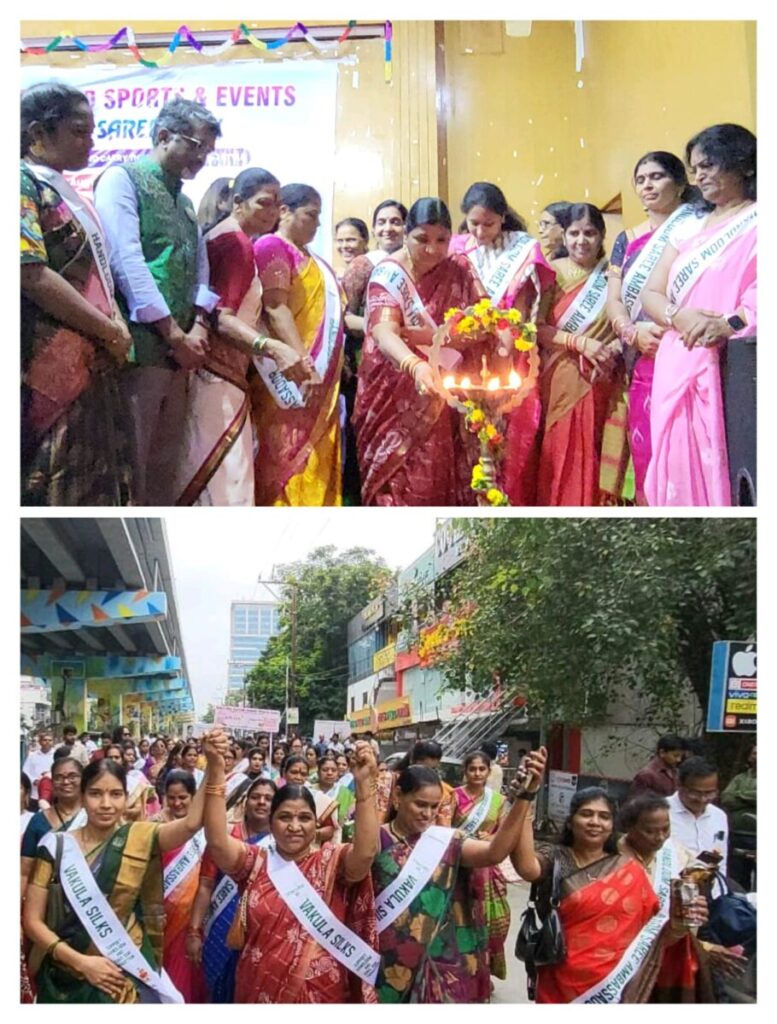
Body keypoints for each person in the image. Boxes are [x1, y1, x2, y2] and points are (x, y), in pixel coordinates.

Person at [94, 96, 222, 506]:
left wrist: (199, 324)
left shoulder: (184, 201)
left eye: (208, 150)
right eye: (195, 145)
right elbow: (125, 260)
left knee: (166, 465)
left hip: (182, 350)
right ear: (164, 136)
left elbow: (200, 267)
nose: (202, 157)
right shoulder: (122, 180)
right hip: (141, 345)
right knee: (134, 462)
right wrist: (172, 333)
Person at [201, 731, 380, 1002]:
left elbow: (366, 852)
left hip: (320, 995)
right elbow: (216, 841)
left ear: (316, 824)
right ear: (271, 823)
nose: (295, 827)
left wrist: (364, 785)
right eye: (284, 817)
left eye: (305, 818)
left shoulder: (332, 863)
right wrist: (215, 769)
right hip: (258, 988)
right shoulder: (255, 862)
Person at [23, 754, 216, 1003]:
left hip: (124, 973)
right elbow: (32, 921)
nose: (106, 804)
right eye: (95, 794)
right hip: (65, 976)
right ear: (82, 796)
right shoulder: (55, 846)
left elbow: (191, 824)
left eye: (115, 794)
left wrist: (213, 764)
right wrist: (82, 963)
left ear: (126, 798)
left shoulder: (140, 837)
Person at [20, 82, 133, 506]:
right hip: (43, 362)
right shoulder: (19, 181)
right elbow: (29, 273)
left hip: (92, 356)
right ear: (36, 134)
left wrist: (113, 327)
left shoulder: (67, 192)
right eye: (78, 131)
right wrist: (107, 328)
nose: (90, 142)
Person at [176, 168, 310, 506]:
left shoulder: (228, 237)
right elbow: (222, 318)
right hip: (216, 383)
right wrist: (273, 348)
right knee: (225, 485)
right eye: (263, 203)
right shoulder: (234, 242)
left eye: (277, 205)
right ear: (238, 202)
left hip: (216, 378)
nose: (271, 212)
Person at [641, 124, 757, 506]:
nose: (700, 176)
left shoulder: (759, 220)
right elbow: (651, 292)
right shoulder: (689, 226)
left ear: (743, 165)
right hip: (679, 359)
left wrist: (727, 323)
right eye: (694, 169)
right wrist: (679, 317)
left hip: (736, 365)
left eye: (709, 165)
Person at [374, 747, 546, 1002]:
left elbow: (494, 853)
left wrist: (525, 796)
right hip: (389, 960)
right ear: (398, 797)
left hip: (443, 959)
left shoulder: (446, 841)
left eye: (434, 807)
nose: (428, 814)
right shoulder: (376, 841)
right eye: (420, 804)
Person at [353, 196, 488, 505]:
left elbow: (485, 321)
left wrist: (432, 336)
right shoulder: (388, 274)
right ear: (406, 234)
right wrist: (415, 365)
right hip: (392, 390)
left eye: (442, 240)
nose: (433, 249)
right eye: (422, 239)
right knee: (394, 479)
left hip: (441, 391)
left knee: (433, 474)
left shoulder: (460, 269)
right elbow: (384, 331)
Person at [512, 786, 681, 1002]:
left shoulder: (627, 867)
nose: (595, 822)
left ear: (612, 826)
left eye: (604, 816)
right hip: (561, 980)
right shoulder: (556, 858)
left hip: (616, 982)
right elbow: (527, 868)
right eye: (586, 814)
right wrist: (524, 803)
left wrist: (680, 925)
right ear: (571, 820)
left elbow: (651, 927)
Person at [606, 152, 702, 504]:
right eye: (641, 178)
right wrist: (632, 333)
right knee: (649, 449)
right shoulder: (626, 240)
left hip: (689, 349)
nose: (647, 185)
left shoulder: (699, 224)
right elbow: (615, 300)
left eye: (657, 176)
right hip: (644, 356)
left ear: (679, 183)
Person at [451, 182, 554, 505]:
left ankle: (507, 499)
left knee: (510, 433)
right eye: (473, 223)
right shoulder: (457, 248)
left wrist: (507, 343)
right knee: (466, 435)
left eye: (489, 224)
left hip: (510, 355)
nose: (480, 231)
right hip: (465, 356)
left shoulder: (522, 249)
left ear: (503, 217)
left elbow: (520, 308)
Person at [253, 183, 344, 506]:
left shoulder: (316, 262)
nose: (318, 224)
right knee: (285, 460)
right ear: (284, 212)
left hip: (321, 384)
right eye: (311, 215)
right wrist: (304, 365)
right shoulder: (272, 247)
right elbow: (276, 309)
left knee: (318, 461)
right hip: (289, 378)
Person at [536, 203, 627, 505]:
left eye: (589, 233)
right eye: (574, 233)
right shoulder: (553, 272)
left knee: (601, 449)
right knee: (565, 450)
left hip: (606, 377)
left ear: (601, 236)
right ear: (563, 236)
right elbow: (536, 329)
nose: (581, 240)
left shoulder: (616, 276)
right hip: (563, 375)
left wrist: (614, 347)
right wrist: (580, 344)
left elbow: (626, 323)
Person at [616, 793, 719, 1000]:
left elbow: (693, 883)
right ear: (629, 828)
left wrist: (704, 875)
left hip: (669, 953)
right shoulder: (612, 857)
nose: (661, 837)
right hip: (624, 958)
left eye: (666, 829)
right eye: (650, 831)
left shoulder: (674, 853)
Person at [189, 777, 277, 1002]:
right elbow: (206, 886)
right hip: (220, 930)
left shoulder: (282, 844)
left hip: (263, 934)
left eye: (268, 798)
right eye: (255, 797)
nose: (261, 802)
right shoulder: (223, 838)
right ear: (245, 803)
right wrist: (194, 931)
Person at [451, 751, 511, 980]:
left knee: (493, 919)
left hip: (487, 868)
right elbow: (444, 828)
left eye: (481, 769)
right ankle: (464, 967)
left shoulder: (498, 801)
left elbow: (506, 832)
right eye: (472, 769)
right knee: (462, 916)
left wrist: (493, 840)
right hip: (460, 864)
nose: (477, 773)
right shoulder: (453, 797)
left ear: (488, 771)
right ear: (465, 772)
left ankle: (485, 970)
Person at [21, 757, 84, 894]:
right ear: (52, 783)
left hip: (90, 903)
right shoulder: (38, 821)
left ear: (83, 780)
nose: (66, 781)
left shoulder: (94, 817)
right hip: (47, 899)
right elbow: (24, 872)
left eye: (72, 776)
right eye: (59, 777)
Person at [668, 757, 729, 876]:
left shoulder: (719, 816)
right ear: (679, 786)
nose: (703, 799)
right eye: (695, 793)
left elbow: (721, 862)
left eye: (709, 793)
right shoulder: (660, 813)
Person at [720, 745, 756, 890]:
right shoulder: (739, 779)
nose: (757, 756)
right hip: (738, 836)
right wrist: (750, 799)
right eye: (755, 753)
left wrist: (740, 795)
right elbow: (726, 798)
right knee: (738, 880)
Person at [21, 729, 54, 810]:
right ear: (40, 742)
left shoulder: (56, 755)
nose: (47, 742)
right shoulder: (33, 755)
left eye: (50, 740)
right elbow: (25, 771)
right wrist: (34, 780)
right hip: (35, 793)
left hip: (51, 792)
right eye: (45, 740)